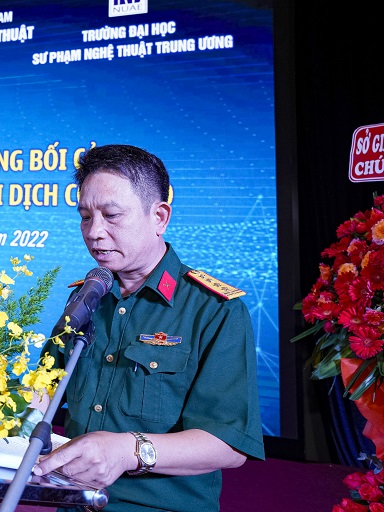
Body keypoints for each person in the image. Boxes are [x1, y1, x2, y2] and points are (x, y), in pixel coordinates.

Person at [33, 144, 264, 512]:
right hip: (73, 502)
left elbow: (229, 444)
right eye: (85, 216)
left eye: (111, 215)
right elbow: (43, 390)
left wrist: (129, 450)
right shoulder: (86, 297)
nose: (94, 232)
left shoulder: (214, 310)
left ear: (159, 217)